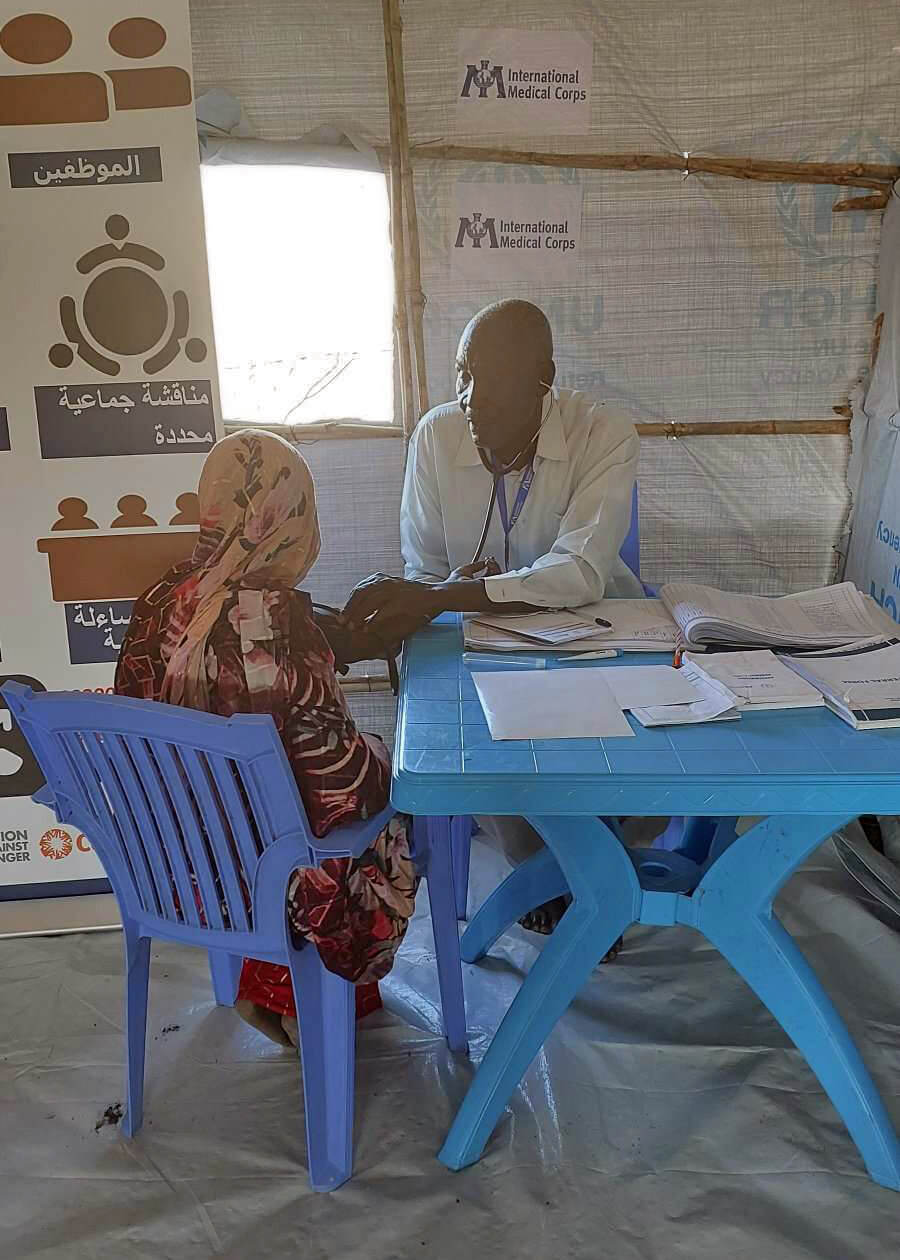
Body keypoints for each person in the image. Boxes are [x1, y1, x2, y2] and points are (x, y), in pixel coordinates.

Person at [343, 299, 640, 935]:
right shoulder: (437, 435)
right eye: (462, 373)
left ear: (544, 379)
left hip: (593, 629)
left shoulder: (603, 432)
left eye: (492, 377)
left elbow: (581, 574)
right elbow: (421, 569)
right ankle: (537, 862)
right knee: (483, 725)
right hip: (481, 641)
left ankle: (589, 859)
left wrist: (449, 597)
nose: (471, 398)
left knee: (599, 737)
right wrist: (440, 591)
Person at [115, 430, 418, 1046]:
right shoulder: (278, 625)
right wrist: (384, 759)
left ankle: (268, 985)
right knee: (380, 811)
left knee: (263, 815)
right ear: (289, 517)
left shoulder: (158, 602)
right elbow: (338, 789)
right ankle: (302, 998)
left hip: (175, 868)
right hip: (263, 879)